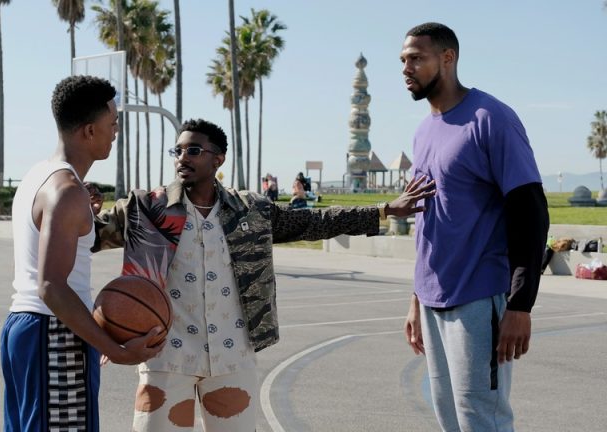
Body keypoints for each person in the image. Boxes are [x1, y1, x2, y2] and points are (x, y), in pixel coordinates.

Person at [93, 118, 436, 431]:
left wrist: (383, 210)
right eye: (178, 150)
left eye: (194, 150)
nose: (183, 157)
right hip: (165, 354)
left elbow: (314, 222)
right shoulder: (146, 208)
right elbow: (85, 234)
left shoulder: (251, 211)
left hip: (232, 356)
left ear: (218, 159)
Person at [399, 23, 549, 431]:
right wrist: (416, 298)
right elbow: (428, 222)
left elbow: (530, 212)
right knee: (450, 419)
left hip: (479, 297)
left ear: (448, 58)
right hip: (432, 300)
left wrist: (520, 305)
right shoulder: (423, 132)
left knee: (482, 420)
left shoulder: (491, 118)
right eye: (403, 60)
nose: (406, 68)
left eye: (416, 58)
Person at [0, 76, 164, 432]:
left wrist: (82, 212)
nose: (116, 132)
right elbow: (51, 286)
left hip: (25, 326)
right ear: (90, 131)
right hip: (53, 334)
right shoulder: (67, 190)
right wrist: (116, 349)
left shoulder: (38, 176)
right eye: (112, 124)